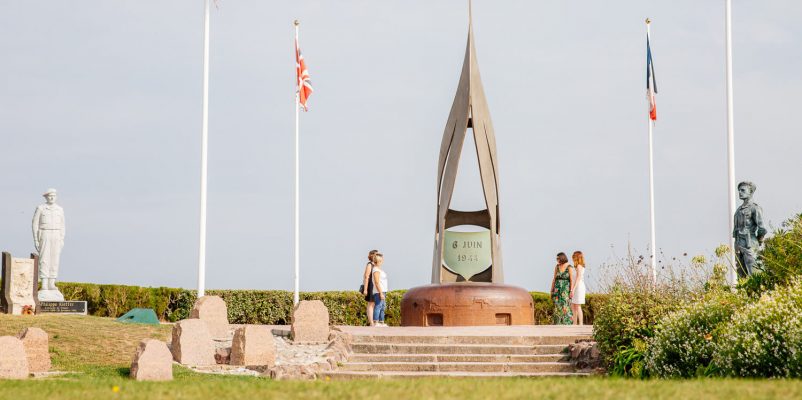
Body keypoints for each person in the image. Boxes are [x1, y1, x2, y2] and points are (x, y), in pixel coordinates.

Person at [32, 188, 66, 301]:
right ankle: (45, 284)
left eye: (54, 196)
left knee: (54, 259)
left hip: (56, 234)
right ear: (46, 197)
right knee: (44, 259)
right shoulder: (41, 208)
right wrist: (36, 240)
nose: (51, 198)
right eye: (49, 196)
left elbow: (62, 225)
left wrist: (62, 238)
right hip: (45, 233)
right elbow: (35, 224)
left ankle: (52, 282)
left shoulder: (60, 209)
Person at [733, 181, 767, 278]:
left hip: (750, 242)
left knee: (754, 270)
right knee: (740, 272)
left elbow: (762, 228)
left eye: (743, 190)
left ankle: (758, 291)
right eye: (739, 190)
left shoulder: (754, 208)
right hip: (738, 243)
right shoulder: (738, 210)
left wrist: (758, 240)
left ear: (750, 192)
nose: (740, 192)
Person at [550, 252, 574, 325]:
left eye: (558, 258)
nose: (557, 260)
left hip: (565, 289)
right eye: (556, 258)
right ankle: (557, 322)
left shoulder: (569, 267)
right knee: (557, 305)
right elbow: (554, 278)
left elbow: (571, 279)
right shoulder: (557, 266)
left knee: (565, 305)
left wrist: (571, 290)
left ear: (562, 258)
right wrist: (551, 289)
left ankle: (567, 322)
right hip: (557, 289)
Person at [361, 250, 378, 326]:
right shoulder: (370, 265)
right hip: (370, 286)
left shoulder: (375, 265)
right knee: (371, 304)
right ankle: (371, 322)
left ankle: (374, 321)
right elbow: (366, 276)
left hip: (375, 287)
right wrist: (365, 289)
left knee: (374, 304)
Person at [371, 253, 388, 327]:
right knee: (378, 306)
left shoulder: (378, 269)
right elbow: (377, 282)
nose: (382, 261)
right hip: (379, 291)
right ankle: (376, 322)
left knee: (382, 307)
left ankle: (381, 322)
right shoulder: (376, 270)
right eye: (381, 260)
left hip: (383, 291)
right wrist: (380, 293)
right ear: (378, 261)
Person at [571, 251, 586, 325]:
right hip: (576, 286)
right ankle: (574, 323)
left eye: (573, 257)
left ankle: (581, 323)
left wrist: (573, 289)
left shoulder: (579, 266)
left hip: (579, 287)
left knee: (578, 305)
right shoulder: (576, 267)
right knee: (573, 305)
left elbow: (578, 277)